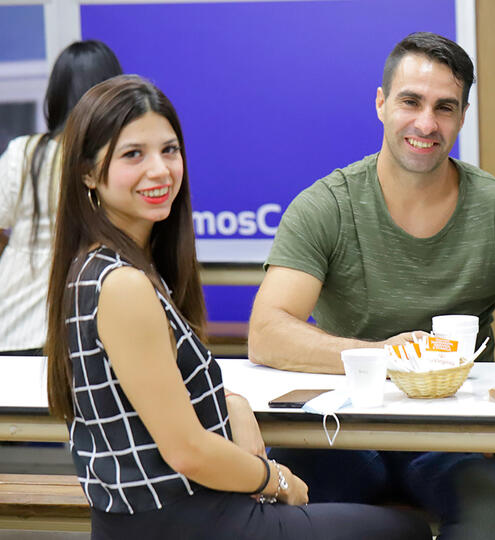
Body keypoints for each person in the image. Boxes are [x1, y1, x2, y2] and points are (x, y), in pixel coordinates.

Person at [45, 75, 431, 540]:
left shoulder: (100, 267)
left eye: (169, 150)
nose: (160, 170)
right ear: (88, 173)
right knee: (403, 530)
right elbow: (187, 451)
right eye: (133, 155)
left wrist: (235, 403)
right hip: (184, 521)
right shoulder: (123, 285)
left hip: (159, 518)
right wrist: (274, 479)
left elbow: (163, 398)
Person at [249, 32, 495, 540]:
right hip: (343, 430)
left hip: (461, 438)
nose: (426, 123)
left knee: (487, 522)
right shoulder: (328, 205)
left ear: (462, 115)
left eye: (445, 107)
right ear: (382, 103)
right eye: (411, 101)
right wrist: (383, 357)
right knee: (301, 524)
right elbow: (267, 332)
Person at [0, 40, 123, 355]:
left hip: (8, 326)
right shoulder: (122, 159)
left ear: (55, 95)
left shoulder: (25, 152)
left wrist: (21, 249)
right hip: (87, 329)